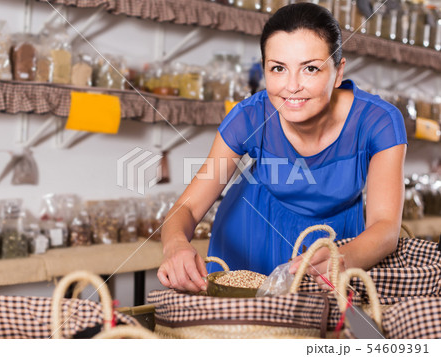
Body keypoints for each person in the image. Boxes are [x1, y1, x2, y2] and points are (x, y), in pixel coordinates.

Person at [157, 3, 407, 293]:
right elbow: (187, 207)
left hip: (337, 245)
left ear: (338, 73)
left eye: (310, 69)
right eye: (278, 69)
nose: (292, 86)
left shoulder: (379, 121)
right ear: (264, 70)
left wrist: (346, 256)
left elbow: (386, 226)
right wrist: (175, 245)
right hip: (248, 241)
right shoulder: (249, 116)